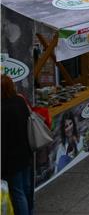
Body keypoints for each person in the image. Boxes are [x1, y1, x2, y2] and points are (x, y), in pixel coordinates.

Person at [1, 75, 33, 215]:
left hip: (12, 159)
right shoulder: (20, 101)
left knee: (17, 193)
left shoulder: (2, 109)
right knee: (25, 189)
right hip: (25, 152)